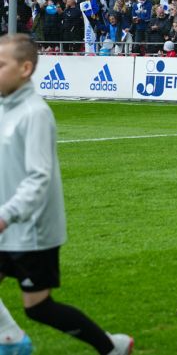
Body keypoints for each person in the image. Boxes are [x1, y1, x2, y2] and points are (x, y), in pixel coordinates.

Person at [0, 34, 133, 354]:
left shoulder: (35, 113)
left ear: (25, 68)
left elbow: (38, 177)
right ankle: (11, 339)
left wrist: (5, 216)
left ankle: (110, 346)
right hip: (9, 225)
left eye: (1, 64)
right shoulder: (5, 108)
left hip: (32, 231)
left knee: (38, 307)